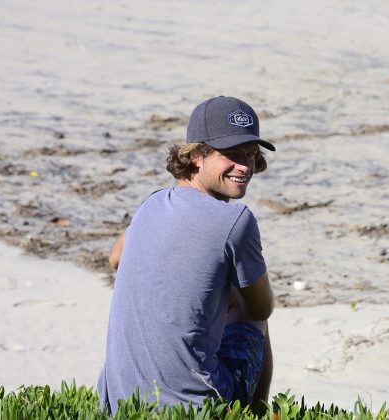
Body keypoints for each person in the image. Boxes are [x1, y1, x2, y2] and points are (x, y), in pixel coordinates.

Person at [97, 96, 276, 414]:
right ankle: (256, 414)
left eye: (250, 153)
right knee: (252, 319)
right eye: (231, 154)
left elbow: (115, 259)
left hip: (119, 402)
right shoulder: (237, 220)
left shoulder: (151, 203)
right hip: (194, 408)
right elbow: (261, 308)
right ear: (195, 156)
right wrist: (229, 294)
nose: (245, 166)